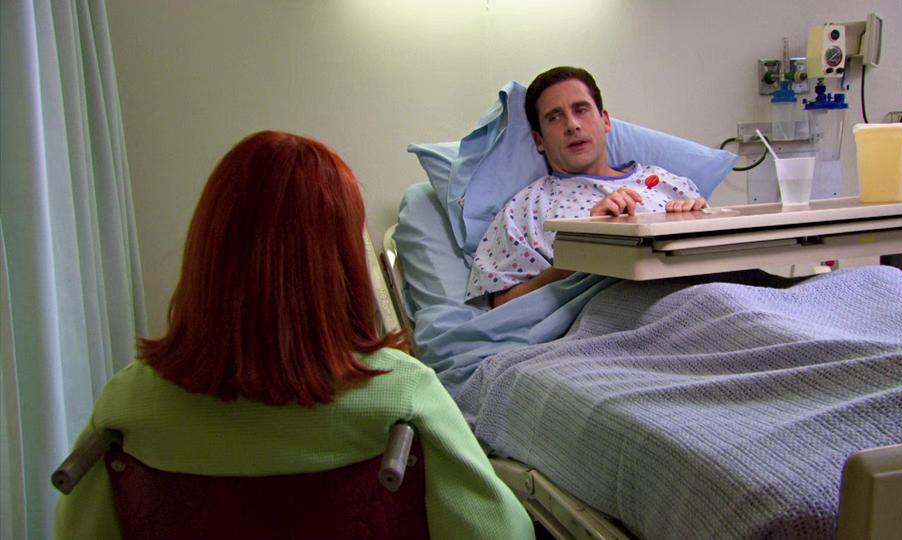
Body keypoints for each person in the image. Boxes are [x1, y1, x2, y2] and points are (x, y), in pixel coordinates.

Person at [54, 131, 535, 540]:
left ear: (209, 250)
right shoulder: (405, 396)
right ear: (342, 263)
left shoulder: (128, 405)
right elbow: (501, 533)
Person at [466, 66, 708, 307]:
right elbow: (502, 307)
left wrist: (700, 227)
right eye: (554, 117)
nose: (572, 125)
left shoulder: (668, 184)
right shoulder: (526, 208)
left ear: (605, 121)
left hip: (701, 291)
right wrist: (583, 253)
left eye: (581, 110)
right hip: (612, 311)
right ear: (539, 140)